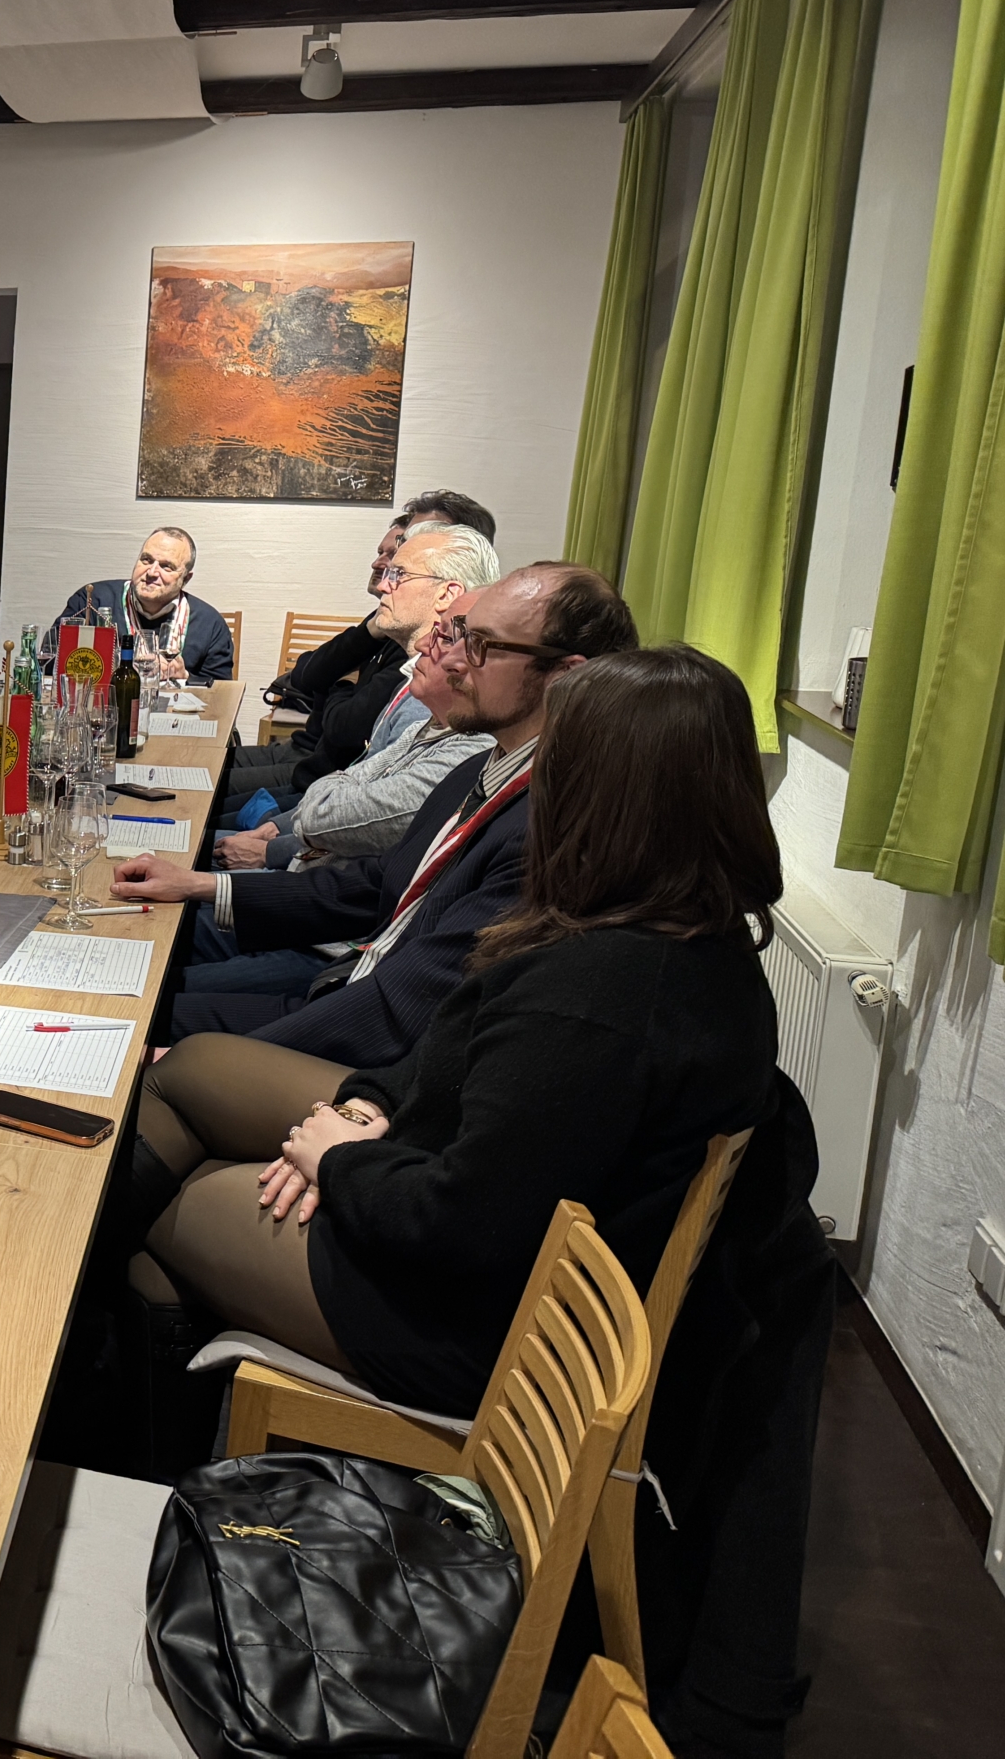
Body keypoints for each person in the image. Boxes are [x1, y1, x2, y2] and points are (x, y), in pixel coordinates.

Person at [114, 645, 787, 1419]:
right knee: (194, 1069)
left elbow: (466, 1226)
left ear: (600, 788)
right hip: (449, 1207)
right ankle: (129, 1413)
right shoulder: (683, 932)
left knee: (176, 1198)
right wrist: (370, 1104)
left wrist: (339, 1164)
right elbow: (454, 1051)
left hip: (471, 1324)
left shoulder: (600, 993)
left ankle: (106, 1399)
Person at [115, 563, 637, 1067]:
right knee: (128, 994)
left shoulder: (551, 824)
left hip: (370, 1044)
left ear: (564, 676)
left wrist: (210, 1056)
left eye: (480, 645)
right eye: (458, 636)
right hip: (349, 985)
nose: (452, 660)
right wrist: (202, 884)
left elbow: (409, 1009)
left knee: (131, 1022)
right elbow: (376, 884)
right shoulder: (482, 766)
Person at [210, 522, 498, 873]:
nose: (382, 582)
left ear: (445, 594)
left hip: (324, 863)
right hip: (312, 823)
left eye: (399, 573)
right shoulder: (408, 667)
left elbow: (355, 814)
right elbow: (353, 768)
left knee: (187, 827)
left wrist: (273, 849)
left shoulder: (433, 694)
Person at [229, 489, 497, 804]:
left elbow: (355, 757)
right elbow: (305, 676)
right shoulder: (389, 629)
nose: (383, 572)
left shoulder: (429, 674)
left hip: (315, 781)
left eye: (399, 568)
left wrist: (343, 679)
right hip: (313, 772)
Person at [55, 526, 234, 684]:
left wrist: (184, 676)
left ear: (186, 579)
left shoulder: (210, 624)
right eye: (146, 560)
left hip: (174, 710)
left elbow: (221, 689)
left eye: (166, 566)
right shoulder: (93, 600)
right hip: (106, 707)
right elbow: (53, 663)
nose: (152, 572)